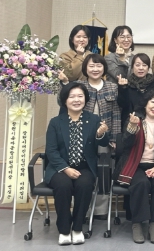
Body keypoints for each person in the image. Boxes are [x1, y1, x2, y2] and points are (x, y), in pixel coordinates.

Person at [45, 82, 109, 245]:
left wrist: (101, 134)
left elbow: (103, 143)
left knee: (85, 185)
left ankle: (78, 228)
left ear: (85, 99)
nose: (76, 100)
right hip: (59, 168)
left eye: (80, 96)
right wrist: (65, 169)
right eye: (72, 96)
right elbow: (51, 151)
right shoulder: (55, 122)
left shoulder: (93, 119)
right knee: (63, 186)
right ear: (65, 100)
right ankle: (64, 230)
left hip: (84, 166)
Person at [60, 54, 120, 219]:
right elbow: (64, 104)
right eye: (91, 66)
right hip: (82, 137)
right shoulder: (79, 87)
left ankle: (101, 210)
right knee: (83, 171)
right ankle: (82, 210)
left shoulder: (112, 87)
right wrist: (64, 83)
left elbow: (116, 114)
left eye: (99, 66)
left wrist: (114, 138)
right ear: (85, 68)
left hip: (104, 136)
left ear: (104, 68)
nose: (95, 69)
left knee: (103, 171)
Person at [113, 90, 154, 244]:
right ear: (145, 103)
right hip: (134, 165)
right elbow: (125, 144)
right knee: (141, 183)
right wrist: (132, 127)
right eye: (153, 102)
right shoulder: (134, 120)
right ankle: (137, 224)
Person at [117, 53, 154, 126]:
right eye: (137, 65)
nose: (141, 68)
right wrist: (122, 88)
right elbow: (122, 104)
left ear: (148, 68)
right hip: (130, 124)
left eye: (144, 65)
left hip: (150, 123)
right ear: (132, 67)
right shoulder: (127, 84)